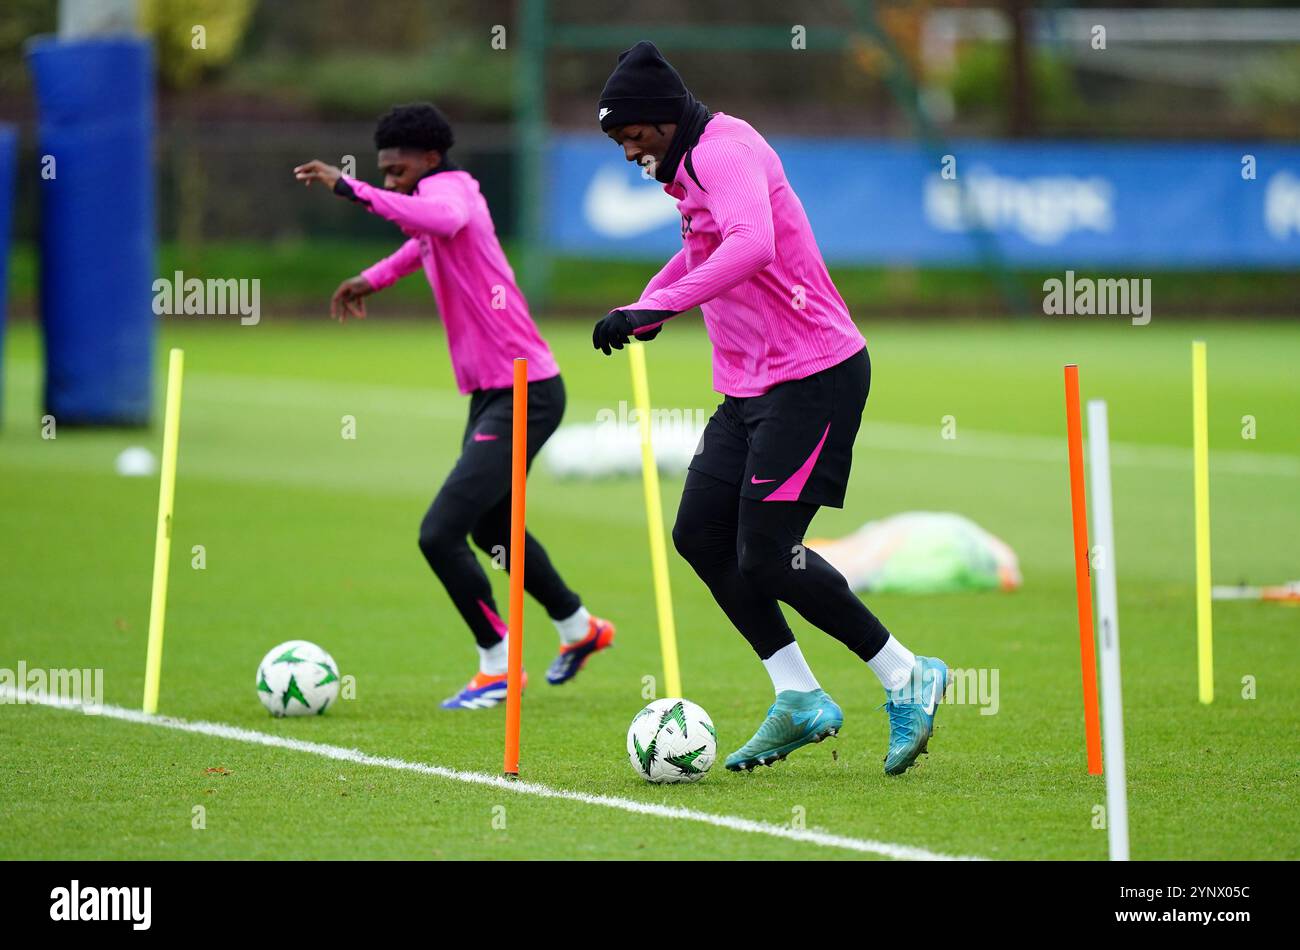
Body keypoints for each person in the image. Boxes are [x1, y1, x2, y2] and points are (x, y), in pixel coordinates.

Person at [590, 43, 949, 775]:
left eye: (632, 135)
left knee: (769, 553)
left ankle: (905, 672)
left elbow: (751, 246)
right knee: (701, 536)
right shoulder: (684, 169)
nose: (628, 151)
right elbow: (703, 251)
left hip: (814, 376)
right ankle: (799, 697)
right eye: (618, 140)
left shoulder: (724, 151)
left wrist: (657, 308)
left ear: (662, 119)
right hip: (751, 389)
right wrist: (646, 307)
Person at [293, 103, 614, 709]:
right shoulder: (435, 206)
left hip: (526, 390)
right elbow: (421, 245)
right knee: (493, 528)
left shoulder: (453, 191)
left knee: (440, 533)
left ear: (431, 159)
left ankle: (497, 662)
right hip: (496, 393)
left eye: (396, 169)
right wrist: (370, 279)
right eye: (382, 172)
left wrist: (351, 188)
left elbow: (433, 220)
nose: (390, 180)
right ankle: (580, 628)